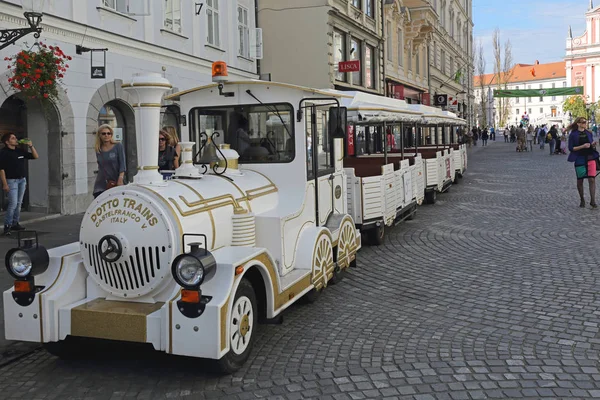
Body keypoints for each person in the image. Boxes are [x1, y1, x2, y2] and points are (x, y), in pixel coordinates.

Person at [0, 133, 38, 235]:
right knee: (13, 203)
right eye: (13, 138)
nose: (16, 139)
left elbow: (35, 156)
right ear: (7, 142)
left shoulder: (19, 151)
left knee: (19, 203)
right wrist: (5, 184)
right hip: (11, 181)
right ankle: (7, 226)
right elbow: (1, 170)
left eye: (15, 137)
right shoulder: (3, 153)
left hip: (22, 180)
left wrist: (31, 146)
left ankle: (15, 223)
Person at [567, 117, 600, 208]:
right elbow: (571, 148)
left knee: (592, 179)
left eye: (586, 122)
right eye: (583, 122)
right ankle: (582, 199)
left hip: (590, 157)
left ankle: (592, 200)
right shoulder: (573, 135)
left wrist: (593, 144)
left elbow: (590, 142)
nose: (585, 124)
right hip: (579, 158)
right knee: (580, 180)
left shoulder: (589, 133)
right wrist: (583, 146)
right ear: (578, 124)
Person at [93, 124, 126, 199]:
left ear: (111, 134)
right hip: (101, 183)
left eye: (109, 133)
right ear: (99, 135)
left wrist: (120, 178)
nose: (106, 135)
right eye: (103, 133)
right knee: (99, 203)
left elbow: (122, 164)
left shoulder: (118, 146)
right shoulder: (98, 149)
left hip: (116, 181)